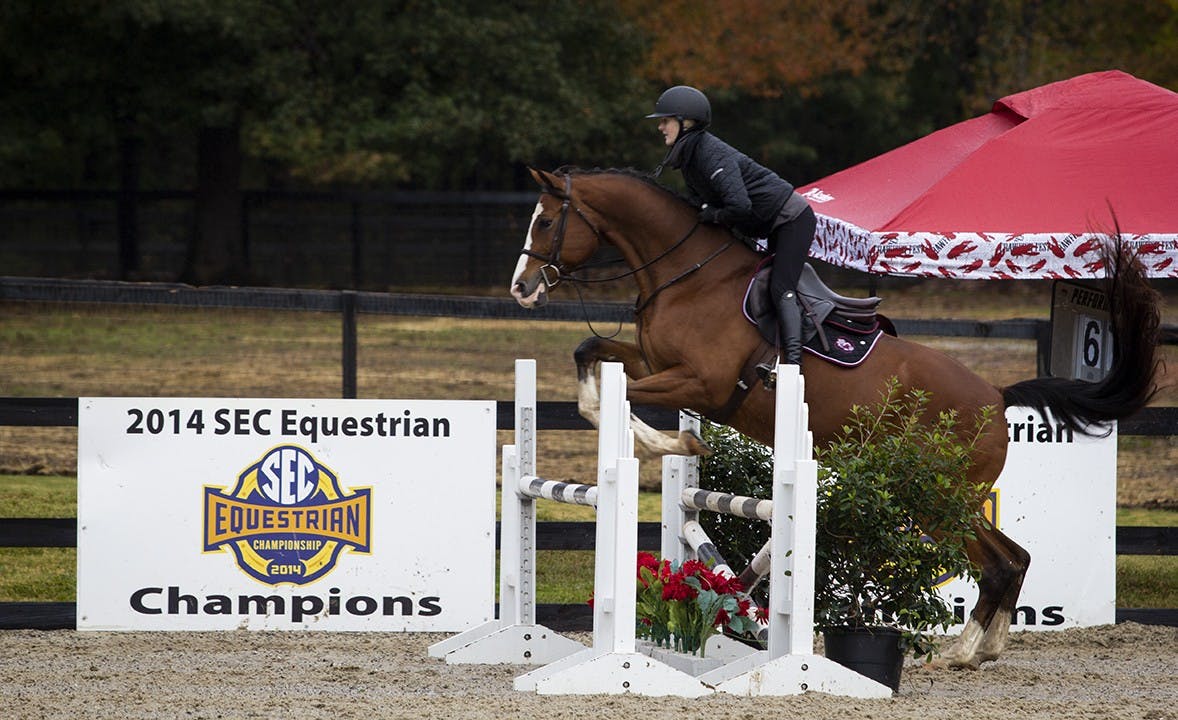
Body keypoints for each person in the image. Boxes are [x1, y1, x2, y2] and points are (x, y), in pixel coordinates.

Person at [646, 85, 816, 370]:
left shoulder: (710, 153)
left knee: (779, 287)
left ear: (686, 122)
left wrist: (708, 213)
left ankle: (792, 366)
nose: (660, 126)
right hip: (763, 223)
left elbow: (739, 206)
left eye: (665, 120)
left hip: (791, 220)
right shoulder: (689, 158)